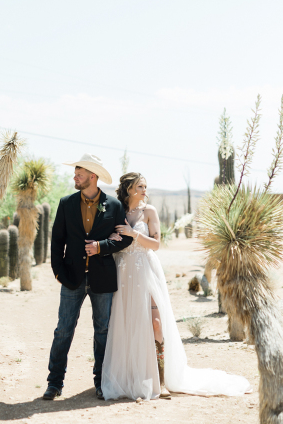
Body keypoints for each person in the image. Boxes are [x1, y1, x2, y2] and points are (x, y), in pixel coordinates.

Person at [101, 172, 252, 401]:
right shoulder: (117, 211)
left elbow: (156, 244)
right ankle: (131, 378)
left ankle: (161, 382)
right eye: (140, 186)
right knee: (127, 325)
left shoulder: (148, 211)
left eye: (145, 186)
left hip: (146, 270)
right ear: (129, 188)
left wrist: (132, 234)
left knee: (156, 323)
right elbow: (111, 241)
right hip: (123, 273)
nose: (144, 190)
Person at [43, 154, 133, 401]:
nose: (75, 177)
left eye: (79, 174)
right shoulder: (66, 203)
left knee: (102, 331)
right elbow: (56, 241)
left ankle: (101, 383)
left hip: (102, 279)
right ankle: (54, 383)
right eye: (75, 174)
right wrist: (59, 272)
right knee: (63, 330)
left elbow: (125, 237)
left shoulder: (113, 205)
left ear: (92, 177)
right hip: (71, 278)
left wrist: (101, 247)